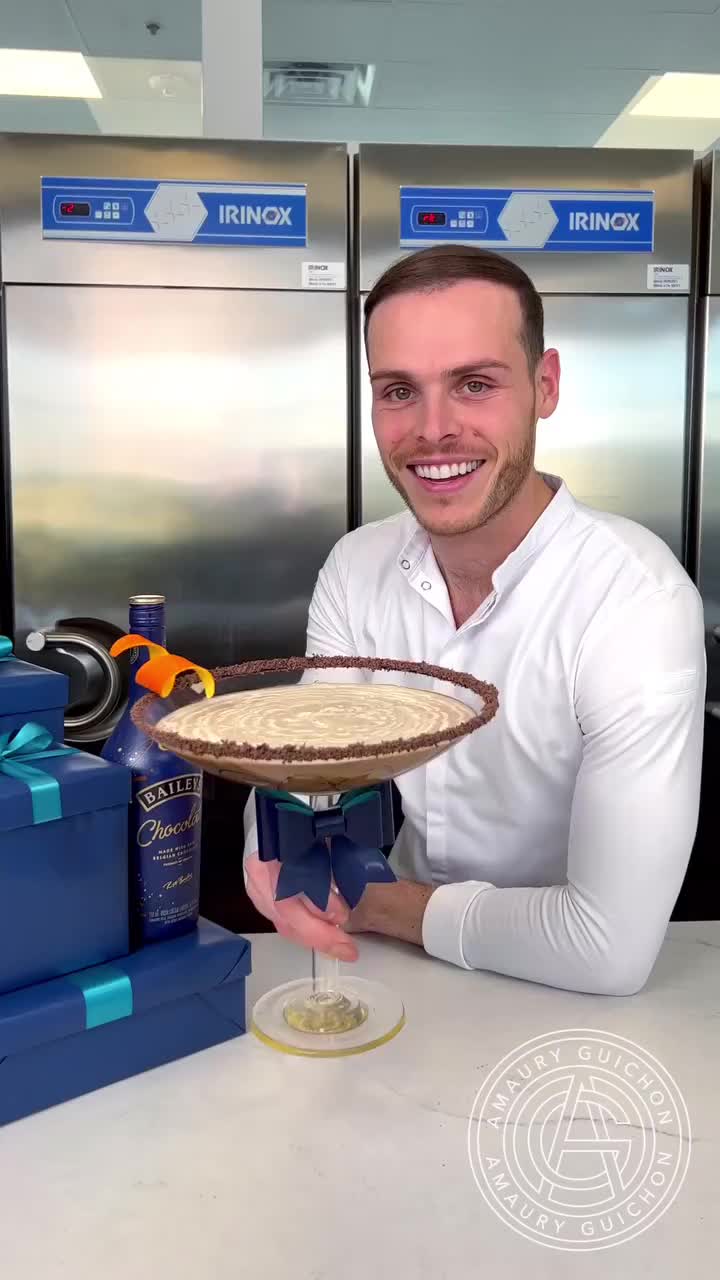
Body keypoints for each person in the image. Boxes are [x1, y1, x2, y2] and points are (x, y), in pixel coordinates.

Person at [243, 244, 706, 996]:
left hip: (568, 1010)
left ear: (544, 385)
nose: (432, 430)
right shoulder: (356, 568)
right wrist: (268, 835)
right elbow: (309, 763)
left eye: (474, 384)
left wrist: (373, 902)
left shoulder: (635, 603)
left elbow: (607, 950)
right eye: (398, 391)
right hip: (401, 980)